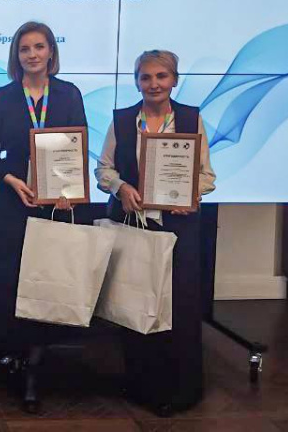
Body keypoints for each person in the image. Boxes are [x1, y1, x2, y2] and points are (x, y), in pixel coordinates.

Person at [94, 49, 216, 416]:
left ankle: (182, 390)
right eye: (145, 77)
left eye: (161, 76)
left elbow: (207, 175)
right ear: (137, 82)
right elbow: (103, 169)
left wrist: (190, 195)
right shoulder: (123, 120)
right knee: (138, 305)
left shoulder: (191, 119)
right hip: (135, 226)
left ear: (174, 80)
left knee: (180, 310)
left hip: (178, 228)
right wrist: (120, 188)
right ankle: (141, 385)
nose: (154, 84)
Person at [0, 21, 88, 414]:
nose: (32, 55)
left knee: (46, 283)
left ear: (51, 52)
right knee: (10, 281)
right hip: (11, 203)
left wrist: (69, 192)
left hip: (55, 204)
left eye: (39, 47)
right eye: (25, 49)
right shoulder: (3, 97)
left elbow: (77, 148)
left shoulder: (69, 93)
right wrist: (10, 180)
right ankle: (13, 357)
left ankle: (36, 366)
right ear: (16, 55)